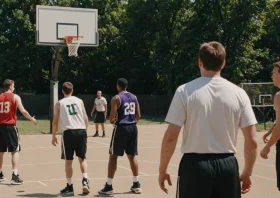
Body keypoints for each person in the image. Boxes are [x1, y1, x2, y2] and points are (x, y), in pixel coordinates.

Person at [158, 41, 258, 198]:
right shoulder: (239, 93)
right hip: (227, 166)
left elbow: (171, 137)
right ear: (223, 63)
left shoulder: (184, 91)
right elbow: (252, 140)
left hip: (194, 167)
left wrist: (162, 169)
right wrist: (247, 172)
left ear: (200, 62)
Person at [0, 79, 37, 184]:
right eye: (13, 86)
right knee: (15, 151)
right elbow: (23, 110)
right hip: (10, 126)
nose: (14, 88)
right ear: (10, 87)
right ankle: (15, 174)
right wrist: (32, 119)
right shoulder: (15, 97)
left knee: (1, 151)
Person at [98, 78, 142, 195]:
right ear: (126, 86)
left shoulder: (116, 98)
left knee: (113, 157)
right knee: (132, 156)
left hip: (121, 128)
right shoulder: (134, 97)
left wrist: (113, 121)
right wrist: (132, 122)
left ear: (118, 86)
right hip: (133, 127)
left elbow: (112, 117)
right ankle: (136, 184)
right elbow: (138, 115)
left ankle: (109, 186)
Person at [51, 82, 90, 196]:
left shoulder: (59, 103)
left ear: (62, 91)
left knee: (68, 161)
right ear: (72, 90)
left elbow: (55, 121)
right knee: (82, 159)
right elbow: (85, 117)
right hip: (81, 130)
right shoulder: (79, 101)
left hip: (68, 132)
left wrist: (53, 136)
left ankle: (69, 186)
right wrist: (85, 131)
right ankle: (85, 181)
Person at [260, 61, 280, 191]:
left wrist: (267, 147)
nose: (272, 76)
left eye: (274, 73)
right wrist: (270, 131)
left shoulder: (279, 96)